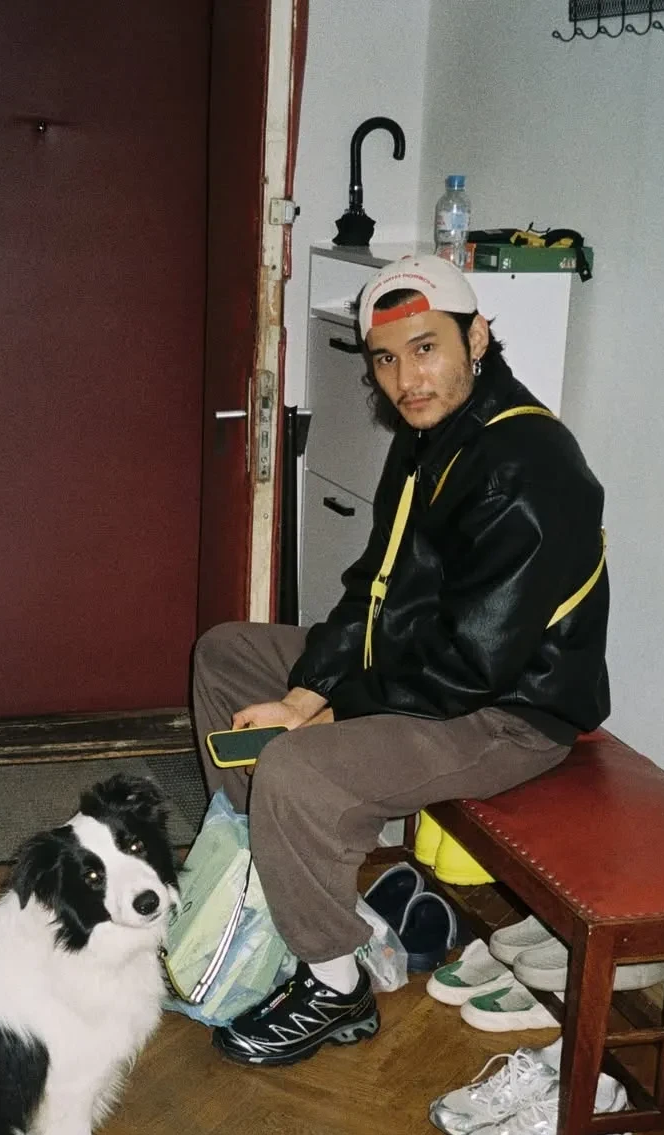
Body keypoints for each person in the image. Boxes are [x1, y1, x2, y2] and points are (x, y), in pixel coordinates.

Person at [192, 253, 609, 1067]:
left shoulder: (527, 465)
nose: (405, 379)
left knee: (298, 767)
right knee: (227, 654)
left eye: (425, 349)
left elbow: (473, 665)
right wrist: (310, 687)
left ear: (476, 337)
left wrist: (327, 707)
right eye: (385, 359)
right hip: (427, 672)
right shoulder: (434, 437)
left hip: (506, 714)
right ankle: (262, 886)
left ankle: (334, 986)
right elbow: (373, 589)